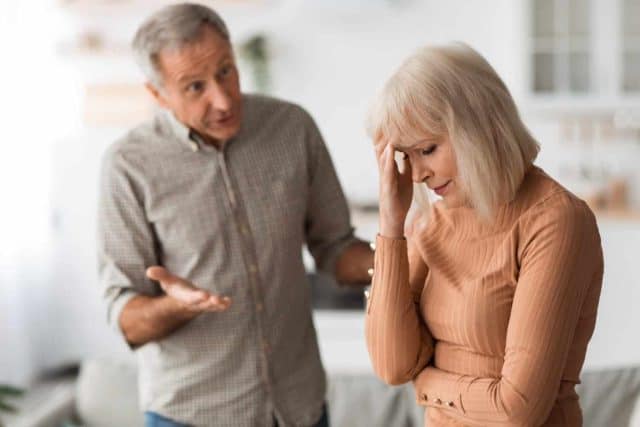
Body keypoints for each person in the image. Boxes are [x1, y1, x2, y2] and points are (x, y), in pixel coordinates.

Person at [97, 3, 374, 426]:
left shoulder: (292, 128)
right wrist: (178, 306)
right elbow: (127, 320)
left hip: (299, 408)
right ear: (157, 94)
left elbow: (336, 249)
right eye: (194, 87)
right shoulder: (128, 166)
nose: (223, 99)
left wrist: (409, 257)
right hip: (190, 415)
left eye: (225, 70)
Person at [364, 43, 604, 426]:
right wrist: (391, 227)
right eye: (406, 157)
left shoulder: (556, 220)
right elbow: (392, 366)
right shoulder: (428, 224)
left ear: (478, 124)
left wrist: (426, 383)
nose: (416, 174)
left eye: (427, 149)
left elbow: (519, 408)